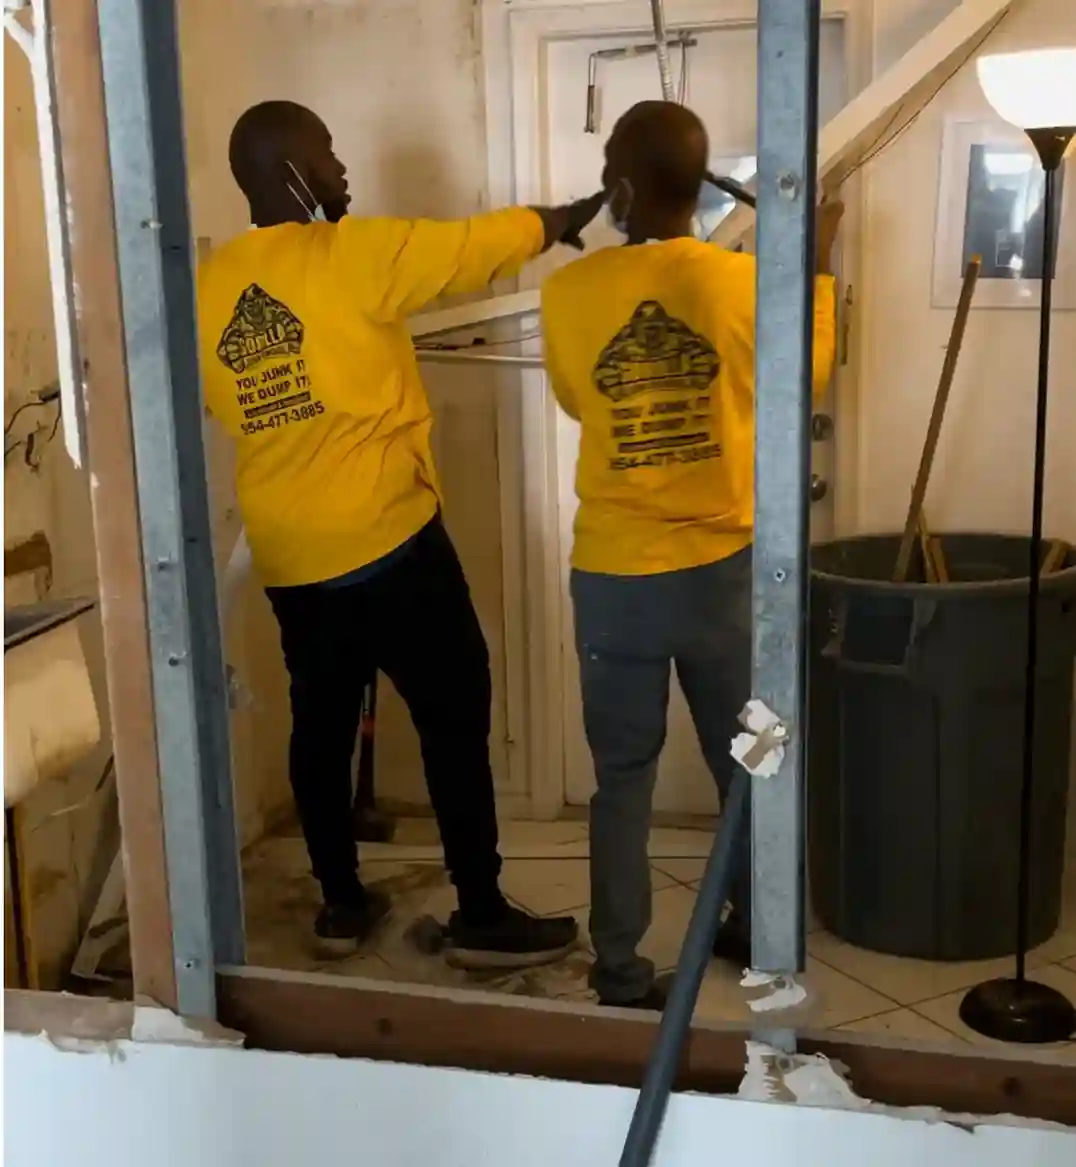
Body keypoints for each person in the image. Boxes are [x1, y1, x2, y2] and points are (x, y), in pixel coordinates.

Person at [197, 100, 604, 968]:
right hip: (392, 546)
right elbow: (470, 246)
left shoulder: (210, 285)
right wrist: (561, 218)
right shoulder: (352, 253)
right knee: (455, 715)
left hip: (292, 559)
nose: (342, 170)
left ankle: (342, 905)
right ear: (292, 172)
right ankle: (482, 912)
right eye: (327, 153)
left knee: (319, 729)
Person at [540, 101, 842, 1010]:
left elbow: (577, 398)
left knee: (621, 780)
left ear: (621, 187)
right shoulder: (745, 282)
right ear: (700, 184)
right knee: (753, 756)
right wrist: (816, 265)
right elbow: (808, 371)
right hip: (724, 574)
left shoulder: (569, 291)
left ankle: (619, 968)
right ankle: (759, 929)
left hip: (615, 580)